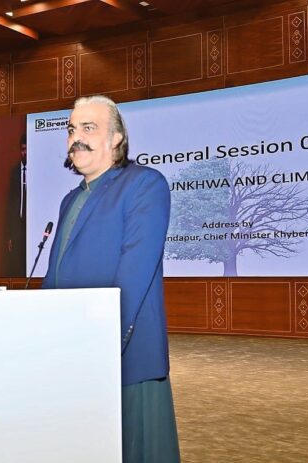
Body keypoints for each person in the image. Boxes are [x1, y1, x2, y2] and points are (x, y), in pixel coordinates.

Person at [42, 95, 180, 463]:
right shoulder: (70, 200)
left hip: (125, 360)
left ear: (116, 138)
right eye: (72, 130)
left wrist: (99, 349)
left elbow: (132, 278)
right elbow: (54, 279)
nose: (76, 138)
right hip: (73, 357)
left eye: (89, 128)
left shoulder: (145, 185)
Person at [6, 134, 27, 276]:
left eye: (27, 149)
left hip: (31, 224)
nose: (25, 153)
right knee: (16, 264)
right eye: (23, 149)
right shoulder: (14, 173)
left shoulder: (36, 171)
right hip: (17, 225)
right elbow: (10, 206)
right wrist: (10, 235)